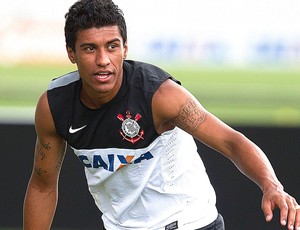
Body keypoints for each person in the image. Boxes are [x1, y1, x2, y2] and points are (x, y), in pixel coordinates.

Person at [23, 0, 300, 229]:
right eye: (89, 48)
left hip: (192, 223)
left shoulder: (160, 95)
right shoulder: (54, 107)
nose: (103, 60)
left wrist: (271, 185)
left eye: (112, 46)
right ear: (71, 53)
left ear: (125, 49)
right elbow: (42, 186)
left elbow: (231, 141)